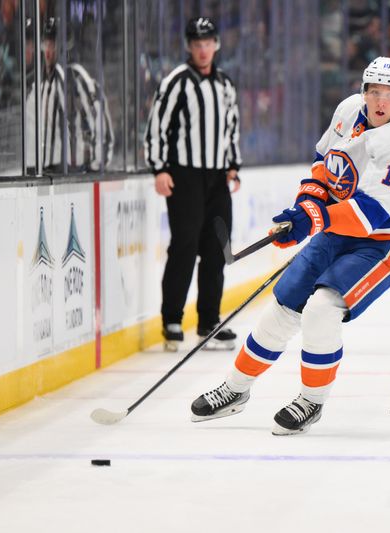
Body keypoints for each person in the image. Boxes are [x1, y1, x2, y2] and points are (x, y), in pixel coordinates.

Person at [190, 56, 390, 435]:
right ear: (363, 91)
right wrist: (304, 208)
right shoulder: (350, 110)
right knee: (284, 304)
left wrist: (313, 220)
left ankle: (311, 401)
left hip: (387, 241)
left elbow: (370, 214)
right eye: (374, 91)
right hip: (342, 229)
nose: (381, 100)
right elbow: (325, 166)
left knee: (322, 309)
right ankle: (235, 390)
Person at [145, 17, 242, 352]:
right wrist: (159, 169)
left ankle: (209, 322)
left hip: (217, 178)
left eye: (208, 43)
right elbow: (157, 127)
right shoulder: (175, 82)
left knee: (218, 249)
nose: (203, 49)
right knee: (184, 247)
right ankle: (172, 320)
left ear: (216, 44)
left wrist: (233, 166)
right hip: (184, 176)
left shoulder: (225, 85)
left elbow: (232, 128)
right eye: (197, 44)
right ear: (189, 46)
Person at [25, 17, 114, 173]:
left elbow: (96, 125)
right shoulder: (38, 84)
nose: (47, 50)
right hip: (41, 169)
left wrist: (95, 164)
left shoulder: (77, 80)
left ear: (64, 47)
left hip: (69, 169)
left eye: (52, 45)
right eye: (45, 44)